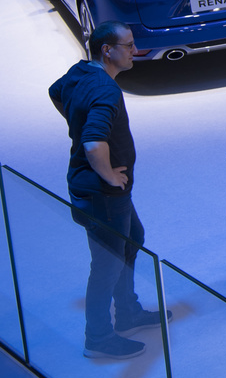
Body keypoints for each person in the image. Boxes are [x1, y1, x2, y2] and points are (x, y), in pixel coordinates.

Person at [50, 21, 166, 360]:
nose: (134, 49)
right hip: (103, 194)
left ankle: (128, 311)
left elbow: (55, 91)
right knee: (107, 264)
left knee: (134, 238)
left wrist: (76, 117)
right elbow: (92, 142)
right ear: (107, 50)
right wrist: (110, 176)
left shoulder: (80, 71)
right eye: (128, 45)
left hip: (99, 192)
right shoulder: (105, 90)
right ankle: (98, 337)